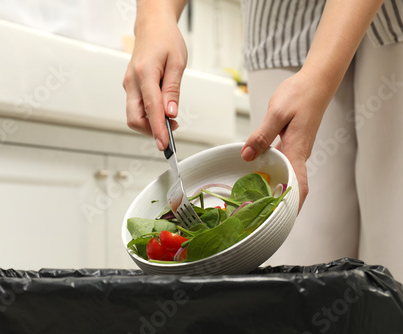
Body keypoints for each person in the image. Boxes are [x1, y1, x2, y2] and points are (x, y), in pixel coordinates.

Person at [122, 0, 403, 281]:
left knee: (393, 249)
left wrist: (319, 78)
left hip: (394, 17)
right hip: (278, 16)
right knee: (296, 263)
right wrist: (154, 18)